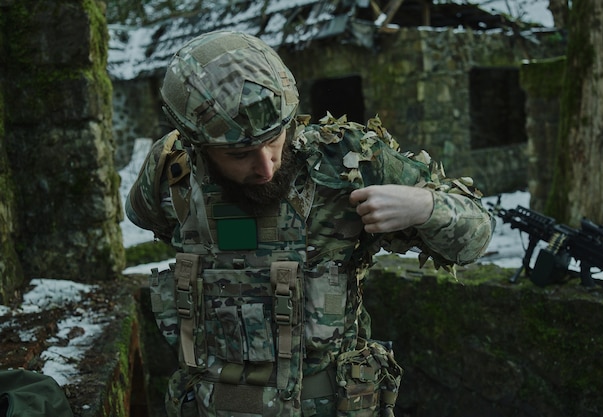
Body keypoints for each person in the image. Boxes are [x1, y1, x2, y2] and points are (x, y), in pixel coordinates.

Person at [126, 30, 494, 417]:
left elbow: (476, 238)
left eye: (274, 138)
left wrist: (426, 206)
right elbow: (148, 218)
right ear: (196, 144)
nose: (266, 166)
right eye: (240, 154)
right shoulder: (172, 172)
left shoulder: (348, 163)